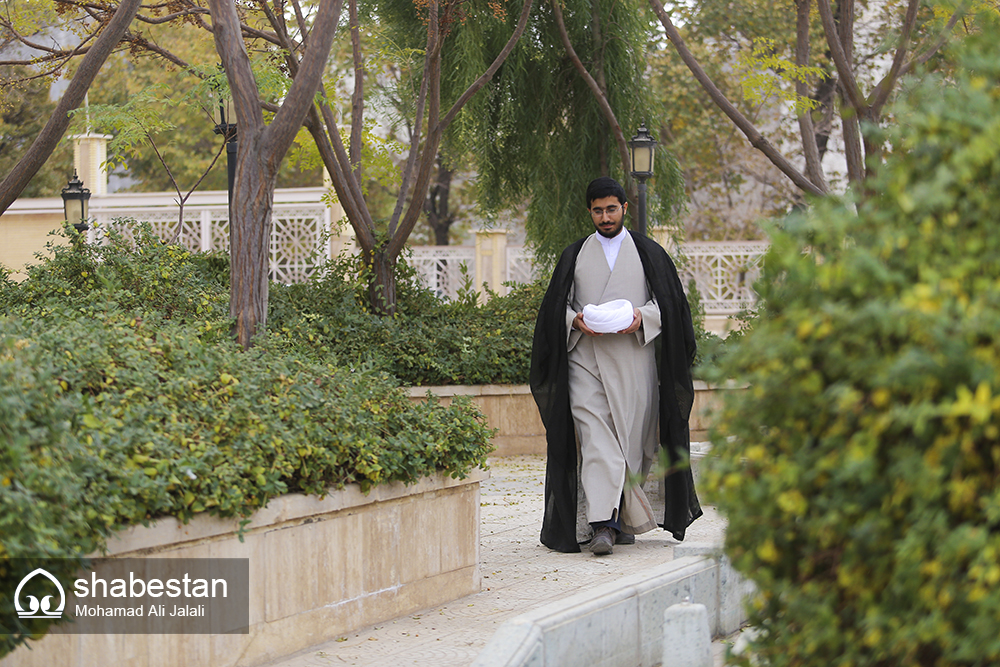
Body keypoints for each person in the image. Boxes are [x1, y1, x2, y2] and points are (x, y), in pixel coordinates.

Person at [529, 176, 702, 554]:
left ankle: (624, 519)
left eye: (611, 209)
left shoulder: (650, 253)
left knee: (631, 446)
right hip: (585, 362)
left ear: (624, 208)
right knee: (597, 443)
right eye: (597, 210)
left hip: (634, 362)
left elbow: (671, 306)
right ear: (588, 212)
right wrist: (574, 321)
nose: (605, 216)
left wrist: (644, 317)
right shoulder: (574, 255)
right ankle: (602, 526)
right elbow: (556, 310)